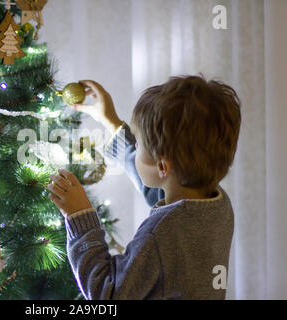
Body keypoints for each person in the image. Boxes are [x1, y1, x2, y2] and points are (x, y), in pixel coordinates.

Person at [47, 76, 241, 299]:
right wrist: (111, 123)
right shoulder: (217, 205)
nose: (136, 147)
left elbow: (107, 293)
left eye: (138, 144)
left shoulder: (161, 231)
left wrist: (79, 216)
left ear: (162, 166)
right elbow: (160, 187)